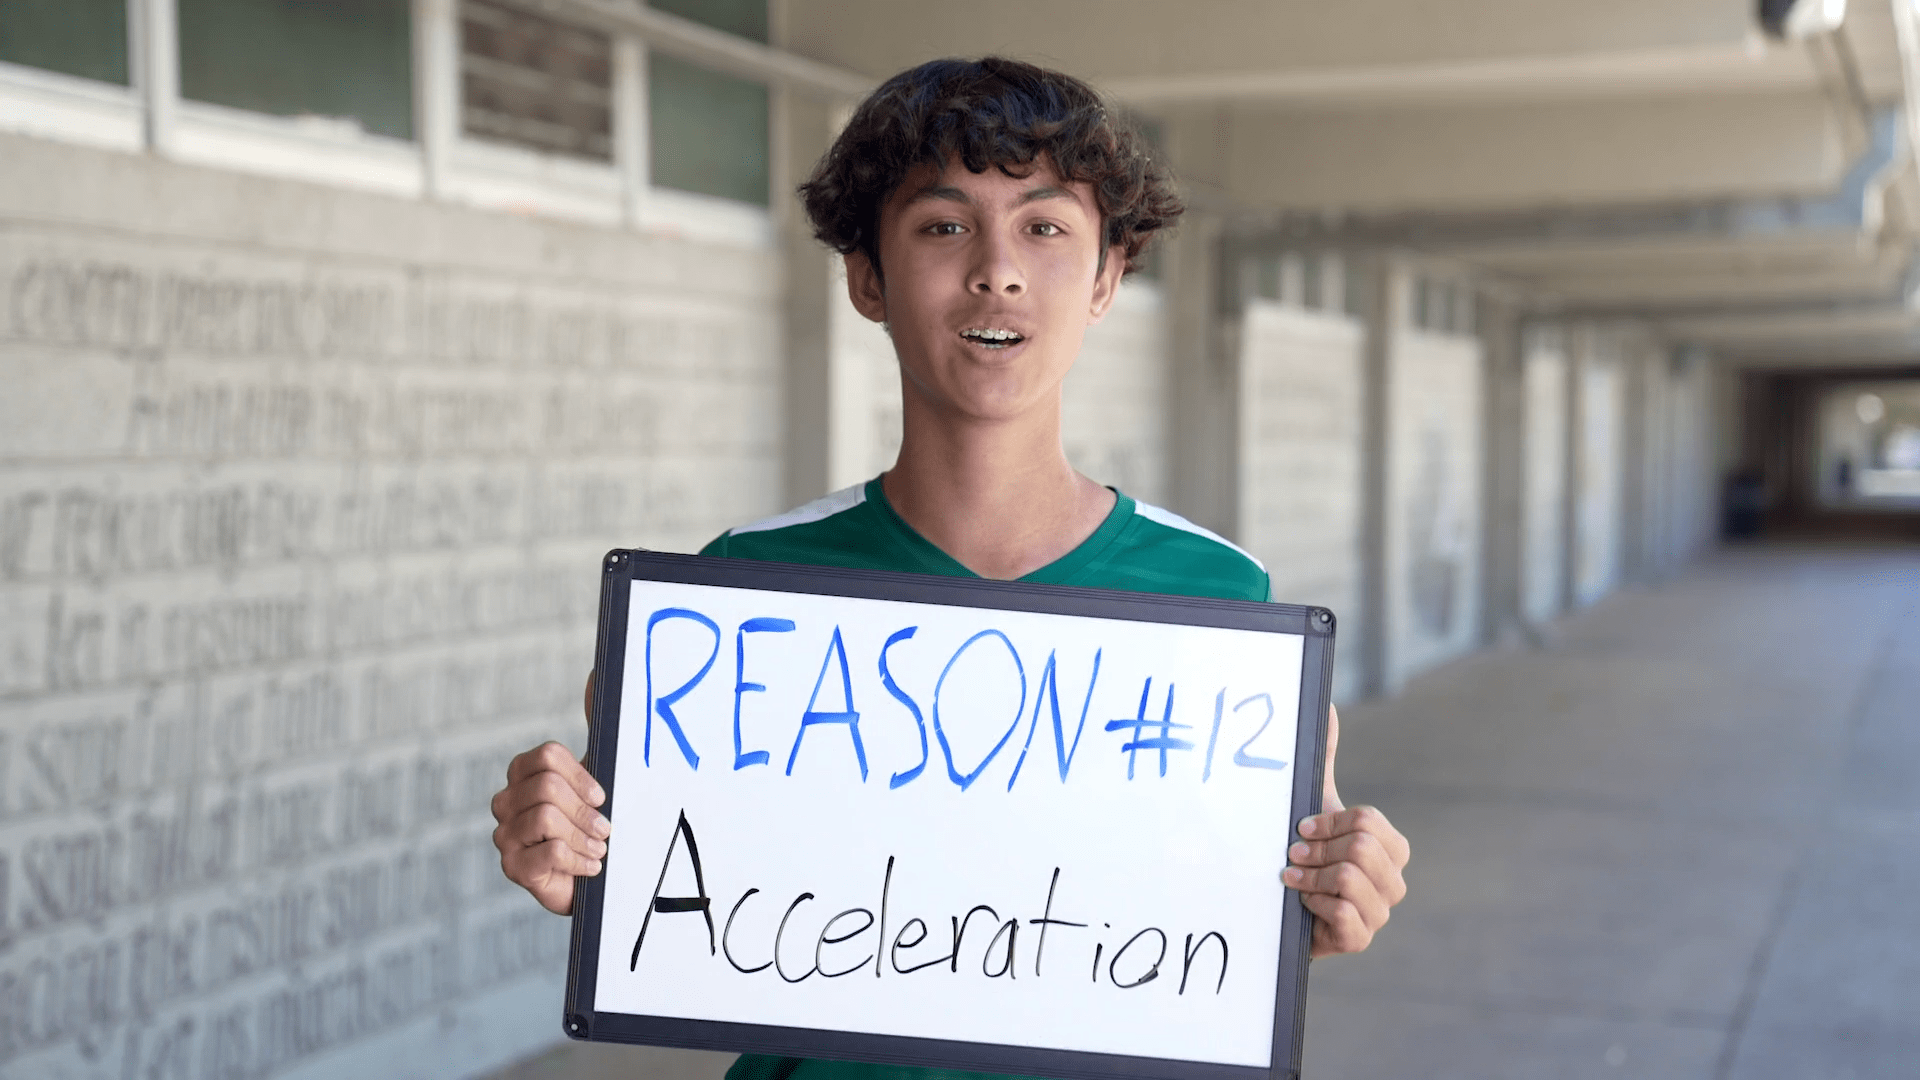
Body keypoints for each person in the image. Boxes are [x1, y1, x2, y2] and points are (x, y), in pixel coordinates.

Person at [491, 56, 1410, 1080]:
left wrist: (1311, 911)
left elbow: (1212, 935)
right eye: (944, 226)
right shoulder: (744, 594)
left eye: (1046, 227)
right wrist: (587, 866)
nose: (997, 270)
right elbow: (694, 906)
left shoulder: (1217, 600)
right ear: (866, 279)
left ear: (1108, 277)